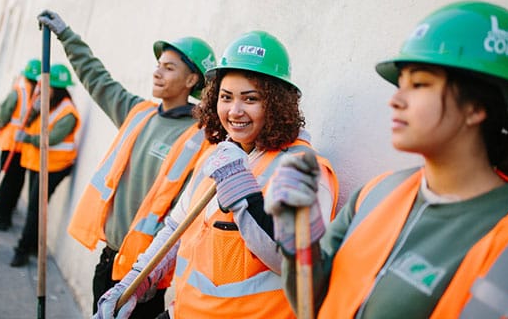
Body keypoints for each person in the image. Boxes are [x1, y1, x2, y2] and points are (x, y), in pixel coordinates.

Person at [265, 1, 508, 318]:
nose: (395, 100)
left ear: (476, 107)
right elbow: (313, 303)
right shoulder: (376, 193)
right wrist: (299, 245)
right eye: (400, 84)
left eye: (419, 84)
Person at [94, 30, 340, 319]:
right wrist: (134, 283)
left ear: (275, 104)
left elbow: (292, 262)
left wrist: (238, 185)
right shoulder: (221, 155)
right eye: (226, 97)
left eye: (250, 99)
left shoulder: (302, 169)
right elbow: (177, 229)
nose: (234, 111)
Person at [37, 9, 217, 317]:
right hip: (108, 263)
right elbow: (98, 80)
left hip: (143, 280)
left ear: (191, 80)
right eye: (158, 65)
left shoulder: (202, 138)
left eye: (169, 68)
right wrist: (67, 36)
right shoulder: (138, 114)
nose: (157, 72)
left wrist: (150, 275)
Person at [10, 63, 81, 267]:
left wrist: (27, 138)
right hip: (39, 163)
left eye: (46, 87)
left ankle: (22, 249)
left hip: (55, 166)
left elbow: (52, 138)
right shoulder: (47, 103)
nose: (41, 90)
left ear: (56, 89)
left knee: (35, 207)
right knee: (37, 207)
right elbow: (32, 121)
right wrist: (34, 111)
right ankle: (32, 245)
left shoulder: (67, 112)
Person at [0, 58, 41, 231]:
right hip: (25, 146)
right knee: (16, 182)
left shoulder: (19, 92)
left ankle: (1, 216)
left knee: (5, 180)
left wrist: (0, 126)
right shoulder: (41, 96)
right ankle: (5, 211)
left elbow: (4, 115)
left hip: (11, 142)